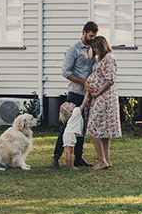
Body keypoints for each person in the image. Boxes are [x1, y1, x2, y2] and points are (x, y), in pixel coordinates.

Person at [52, 21, 98, 169]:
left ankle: (78, 157)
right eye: (90, 36)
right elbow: (66, 72)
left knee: (82, 126)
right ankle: (57, 156)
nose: (92, 39)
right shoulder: (74, 49)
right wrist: (83, 82)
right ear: (83, 32)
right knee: (68, 126)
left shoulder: (93, 49)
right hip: (75, 93)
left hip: (88, 94)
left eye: (94, 36)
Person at [85, 35, 121, 170]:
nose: (95, 50)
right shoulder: (100, 59)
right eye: (94, 48)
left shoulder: (109, 58)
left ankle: (101, 160)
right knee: (103, 129)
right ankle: (106, 160)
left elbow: (109, 79)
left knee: (94, 127)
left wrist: (98, 92)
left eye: (96, 48)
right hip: (99, 97)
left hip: (105, 97)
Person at [60, 91, 90, 170]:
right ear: (70, 110)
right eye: (70, 105)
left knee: (67, 151)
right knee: (70, 151)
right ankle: (71, 166)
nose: (72, 103)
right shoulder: (76, 111)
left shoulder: (71, 116)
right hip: (71, 134)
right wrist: (86, 94)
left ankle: (68, 165)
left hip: (66, 133)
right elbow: (84, 104)